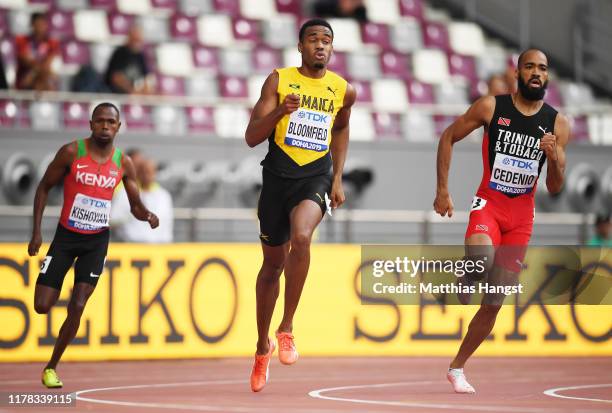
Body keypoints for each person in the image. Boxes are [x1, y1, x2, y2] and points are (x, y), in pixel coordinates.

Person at [433, 49, 569, 393]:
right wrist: (443, 191)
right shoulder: (491, 107)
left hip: (521, 218)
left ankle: (457, 367)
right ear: (518, 73)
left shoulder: (557, 124)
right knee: (481, 261)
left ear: (547, 77)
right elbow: (448, 136)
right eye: (530, 67)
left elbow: (554, 188)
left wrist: (552, 158)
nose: (536, 73)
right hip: (489, 206)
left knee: (494, 301)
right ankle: (468, 274)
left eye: (542, 68)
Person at [244, 18, 356, 392]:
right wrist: (280, 112)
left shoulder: (343, 89)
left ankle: (287, 327)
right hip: (277, 178)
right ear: (300, 47)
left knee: (303, 237)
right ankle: (263, 347)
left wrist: (337, 177)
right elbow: (251, 136)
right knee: (271, 267)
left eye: (327, 40)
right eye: (313, 40)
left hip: (316, 176)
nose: (320, 46)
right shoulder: (279, 80)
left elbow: (340, 129)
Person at [28, 103, 159, 388]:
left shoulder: (123, 163)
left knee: (77, 304)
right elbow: (43, 187)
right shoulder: (72, 152)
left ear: (119, 127)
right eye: (99, 121)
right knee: (41, 305)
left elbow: (135, 205)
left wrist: (147, 215)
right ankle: (56, 278)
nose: (105, 126)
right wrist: (37, 233)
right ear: (90, 124)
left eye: (110, 122)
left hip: (96, 241)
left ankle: (51, 367)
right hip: (65, 238)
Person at [111, 157, 173, 243]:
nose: (146, 175)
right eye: (143, 172)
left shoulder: (164, 196)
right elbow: (114, 219)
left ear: (154, 173)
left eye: (149, 172)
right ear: (137, 173)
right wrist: (131, 216)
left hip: (158, 248)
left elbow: (167, 224)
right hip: (131, 246)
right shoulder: (125, 193)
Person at [15, 12, 59, 91]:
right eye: (37, 25)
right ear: (32, 25)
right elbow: (27, 61)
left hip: (40, 76)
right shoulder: (22, 41)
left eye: (42, 25)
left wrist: (34, 73)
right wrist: (35, 72)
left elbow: (48, 62)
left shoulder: (52, 42)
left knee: (47, 78)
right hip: (26, 77)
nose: (40, 28)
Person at [104, 26, 154, 94]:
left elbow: (147, 78)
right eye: (135, 39)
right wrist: (131, 90)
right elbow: (116, 78)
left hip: (133, 93)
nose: (137, 42)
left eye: (139, 39)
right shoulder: (120, 53)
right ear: (129, 38)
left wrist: (145, 90)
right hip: (116, 93)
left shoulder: (141, 56)